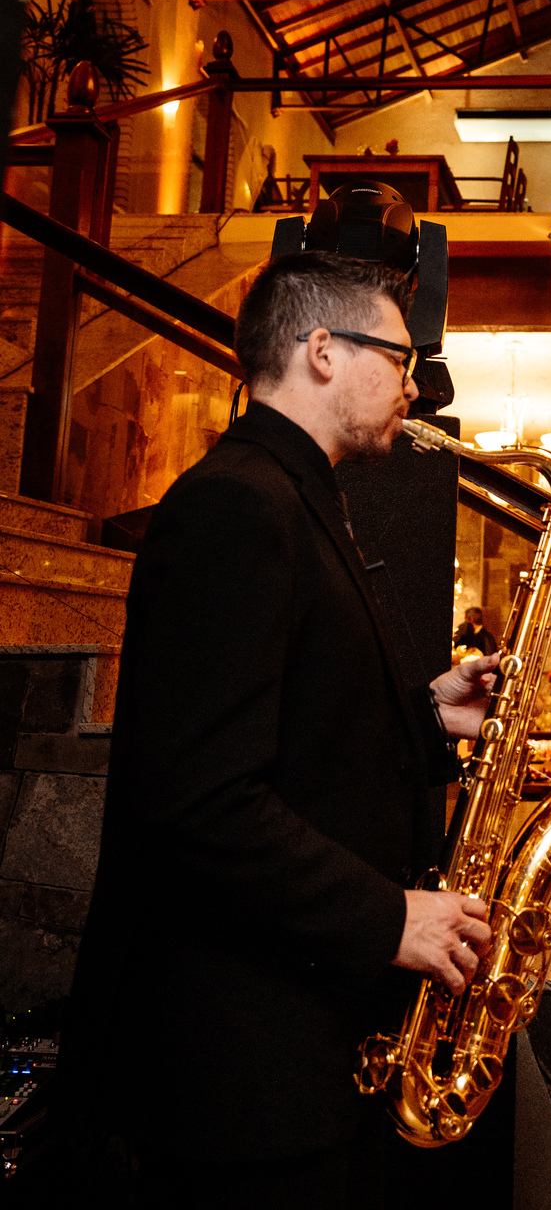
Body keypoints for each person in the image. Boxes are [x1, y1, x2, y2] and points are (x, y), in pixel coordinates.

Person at [51, 251, 498, 1209]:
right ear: (324, 351)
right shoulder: (236, 506)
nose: (415, 383)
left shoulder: (295, 496)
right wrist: (392, 919)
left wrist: (425, 719)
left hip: (293, 1057)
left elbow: (290, 734)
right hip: (236, 1082)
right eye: (401, 355)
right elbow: (198, 799)